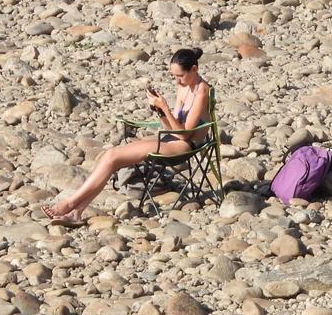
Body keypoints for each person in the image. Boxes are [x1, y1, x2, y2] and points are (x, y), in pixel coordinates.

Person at [43, 48, 212, 227]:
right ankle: (76, 212)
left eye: (181, 76)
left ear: (194, 69)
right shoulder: (183, 87)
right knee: (111, 156)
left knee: (113, 157)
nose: (178, 80)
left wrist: (165, 108)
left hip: (186, 145)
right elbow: (171, 127)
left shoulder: (202, 91)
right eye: (174, 76)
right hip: (171, 138)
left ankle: (70, 204)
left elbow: (185, 134)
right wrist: (160, 111)